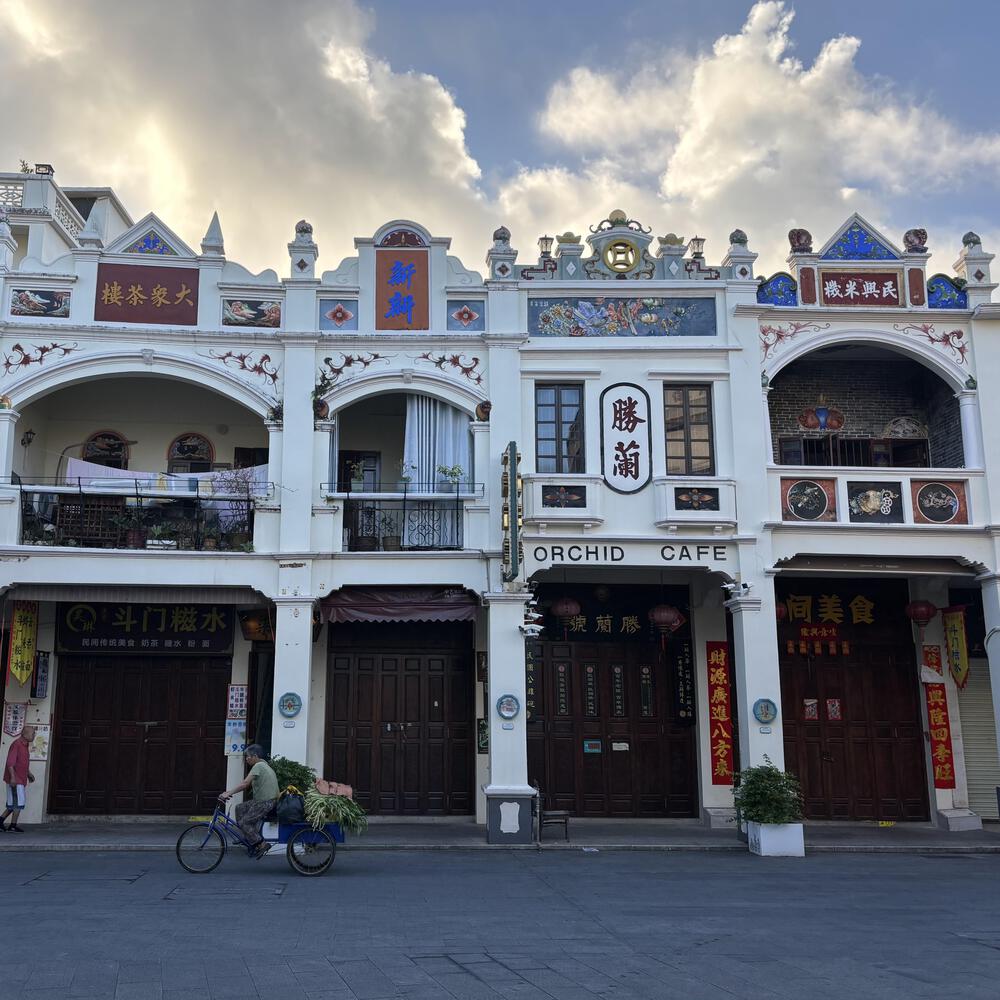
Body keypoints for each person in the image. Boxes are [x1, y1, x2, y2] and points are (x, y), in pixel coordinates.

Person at [220, 744, 278, 858]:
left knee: (244, 822)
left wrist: (228, 793)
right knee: (239, 808)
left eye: (247, 756)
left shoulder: (258, 766)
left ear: (255, 756)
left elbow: (245, 784)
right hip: (263, 800)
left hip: (265, 802)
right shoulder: (263, 764)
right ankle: (248, 836)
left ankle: (262, 844)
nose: (246, 759)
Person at [1, 725, 35, 833]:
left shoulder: (25, 746)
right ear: (25, 734)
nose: (34, 735)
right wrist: (12, 778)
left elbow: (22, 763)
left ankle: (1, 822)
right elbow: (10, 762)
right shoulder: (17, 744)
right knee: (18, 803)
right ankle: (12, 825)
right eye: (32, 733)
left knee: (13, 803)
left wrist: (28, 773)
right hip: (16, 779)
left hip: (20, 778)